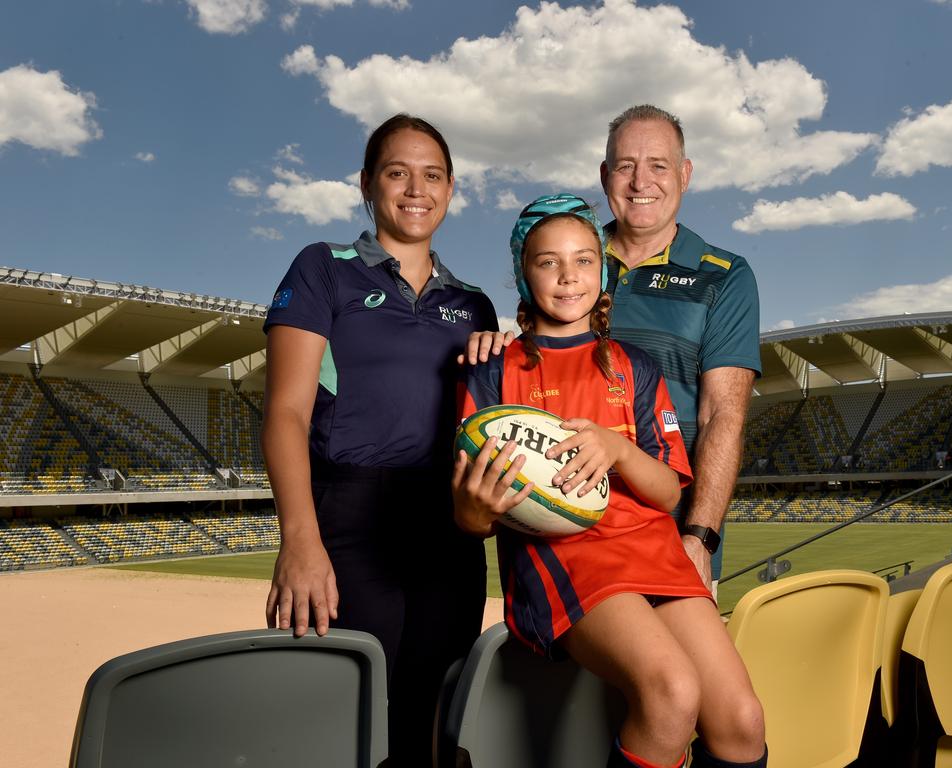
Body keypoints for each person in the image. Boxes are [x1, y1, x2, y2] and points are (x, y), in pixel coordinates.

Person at [453, 194, 766, 768]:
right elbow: (471, 521)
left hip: (653, 547)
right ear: (523, 273)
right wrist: (475, 509)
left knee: (742, 721)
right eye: (547, 262)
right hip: (568, 556)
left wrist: (617, 448)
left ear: (602, 270)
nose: (568, 276)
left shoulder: (634, 367)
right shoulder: (494, 371)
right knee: (672, 694)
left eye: (582, 260)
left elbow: (670, 494)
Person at [261, 114, 498, 766]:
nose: (415, 189)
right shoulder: (323, 268)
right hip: (349, 520)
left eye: (432, 175)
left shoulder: (475, 303)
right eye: (397, 172)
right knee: (346, 723)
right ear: (368, 184)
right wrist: (300, 541)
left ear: (451, 189)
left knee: (432, 718)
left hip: (447, 529)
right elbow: (284, 412)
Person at [465, 105, 761, 595]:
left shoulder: (724, 275)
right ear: (605, 176)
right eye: (625, 166)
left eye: (658, 165)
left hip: (673, 536)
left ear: (685, 175)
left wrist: (700, 537)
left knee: (682, 672)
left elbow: (721, 416)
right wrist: (491, 339)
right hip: (563, 538)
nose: (640, 180)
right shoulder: (572, 256)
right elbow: (532, 357)